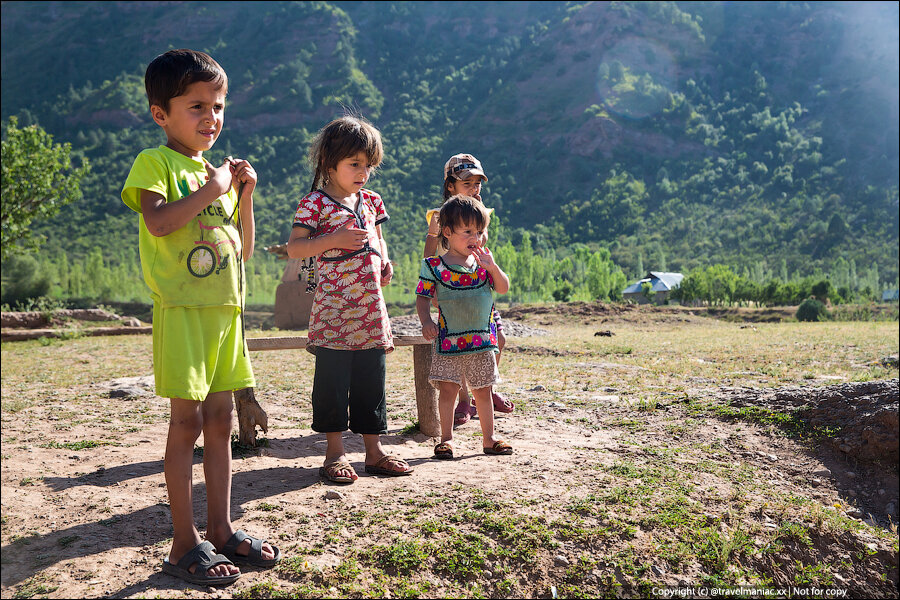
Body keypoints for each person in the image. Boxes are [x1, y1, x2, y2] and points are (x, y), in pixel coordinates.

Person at [121, 49, 279, 586]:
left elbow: (245, 249)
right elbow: (161, 224)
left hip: (224, 314)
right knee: (186, 423)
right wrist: (213, 188)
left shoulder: (220, 173)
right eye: (195, 107)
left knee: (221, 421)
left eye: (217, 106)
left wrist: (245, 196)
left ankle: (221, 527)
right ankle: (183, 542)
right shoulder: (156, 163)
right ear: (160, 113)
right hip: (183, 311)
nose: (210, 118)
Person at [286, 115, 413, 484]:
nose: (363, 173)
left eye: (368, 165)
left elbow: (377, 236)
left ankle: (374, 453)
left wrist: (384, 260)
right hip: (334, 314)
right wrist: (332, 240)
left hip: (371, 311)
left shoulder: (371, 200)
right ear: (330, 164)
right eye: (354, 164)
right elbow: (295, 248)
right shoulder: (315, 204)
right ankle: (334, 454)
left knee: (372, 382)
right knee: (333, 382)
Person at [416, 195, 514, 459]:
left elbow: (503, 288)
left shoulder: (483, 265)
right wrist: (426, 321)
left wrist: (493, 267)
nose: (476, 237)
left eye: (480, 231)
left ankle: (489, 438)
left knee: (483, 390)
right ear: (447, 232)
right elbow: (423, 297)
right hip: (448, 342)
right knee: (448, 390)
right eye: (468, 231)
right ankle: (446, 439)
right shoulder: (433, 266)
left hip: (481, 341)